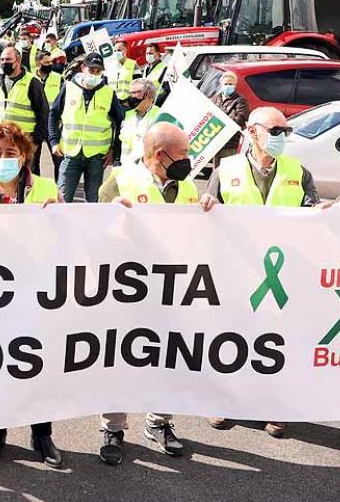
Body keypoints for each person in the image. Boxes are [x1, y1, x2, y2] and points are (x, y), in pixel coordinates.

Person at [199, 105, 322, 438]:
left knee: (275, 341)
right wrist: (208, 207)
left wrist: (323, 212)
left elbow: (311, 213)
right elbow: (208, 209)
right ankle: (224, 400)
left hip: (280, 273)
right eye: (276, 131)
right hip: (236, 270)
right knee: (231, 337)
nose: (283, 138)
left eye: (286, 132)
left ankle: (274, 405)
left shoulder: (299, 171)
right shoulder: (226, 169)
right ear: (252, 132)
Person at [0, 121, 65, 468]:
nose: (4, 158)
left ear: (24, 155)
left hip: (36, 294)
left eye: (11, 152)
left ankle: (42, 434)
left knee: (37, 364)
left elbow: (73, 237)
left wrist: (60, 215)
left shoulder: (47, 188)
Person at [95, 122, 199, 463]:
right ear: (160, 155)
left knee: (169, 357)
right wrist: (113, 219)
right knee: (119, 358)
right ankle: (113, 427)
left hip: (171, 291)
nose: (189, 159)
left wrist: (211, 211)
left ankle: (159, 423)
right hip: (128, 292)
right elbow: (91, 233)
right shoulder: (120, 180)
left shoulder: (187, 189)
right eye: (184, 153)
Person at [49, 52, 124, 203]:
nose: (94, 74)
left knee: (94, 201)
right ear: (83, 68)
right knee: (62, 199)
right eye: (91, 70)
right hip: (70, 153)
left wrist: (114, 151)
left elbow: (121, 123)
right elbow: (53, 115)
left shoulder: (108, 93)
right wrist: (54, 141)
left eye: (98, 71)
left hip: (96, 157)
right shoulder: (68, 88)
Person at [0, 45, 50, 174]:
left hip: (26, 140)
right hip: (2, 139)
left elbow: (43, 114)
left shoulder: (32, 82)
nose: (4, 63)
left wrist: (36, 142)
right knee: (6, 177)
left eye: (8, 60)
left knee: (28, 178)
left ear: (18, 61)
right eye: (2, 59)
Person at [208, 71, 249, 164]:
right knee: (217, 170)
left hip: (231, 142)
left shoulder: (240, 100)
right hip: (217, 142)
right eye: (226, 84)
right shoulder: (216, 99)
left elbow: (240, 119)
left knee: (229, 169)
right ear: (221, 84)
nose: (228, 86)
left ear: (235, 85)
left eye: (231, 84)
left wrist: (220, 122)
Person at [118, 78, 160, 166]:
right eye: (130, 93)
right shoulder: (128, 114)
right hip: (125, 168)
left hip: (145, 172)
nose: (131, 96)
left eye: (135, 93)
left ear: (147, 94)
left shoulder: (159, 116)